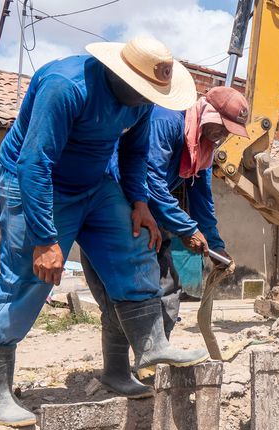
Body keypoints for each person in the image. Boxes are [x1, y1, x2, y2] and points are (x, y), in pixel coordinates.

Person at [0, 36, 207, 427]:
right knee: (27, 282)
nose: (147, 98)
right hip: (33, 182)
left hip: (95, 184)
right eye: (143, 91)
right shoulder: (65, 86)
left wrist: (139, 202)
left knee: (134, 249)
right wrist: (45, 240)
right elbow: (34, 163)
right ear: (119, 74)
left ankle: (139, 355)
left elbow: (134, 153)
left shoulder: (142, 98)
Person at [82, 86, 248, 398]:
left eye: (228, 133)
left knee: (167, 284)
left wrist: (215, 243)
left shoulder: (202, 147)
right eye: (221, 128)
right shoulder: (168, 121)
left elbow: (202, 198)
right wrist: (185, 228)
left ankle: (154, 359)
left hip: (148, 209)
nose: (222, 136)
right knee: (120, 291)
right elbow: (149, 178)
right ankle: (116, 372)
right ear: (208, 115)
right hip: (114, 202)